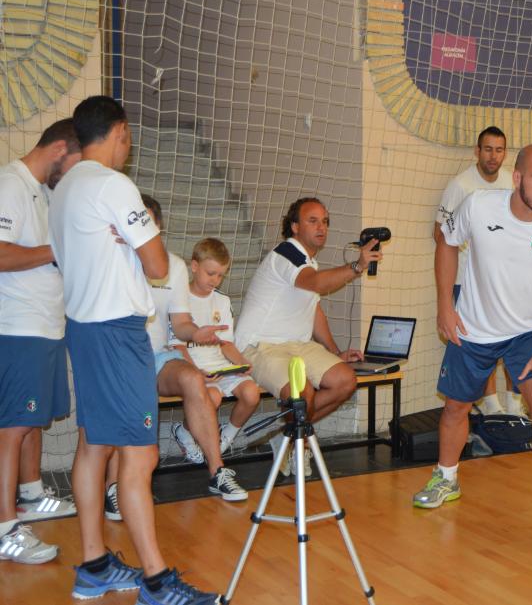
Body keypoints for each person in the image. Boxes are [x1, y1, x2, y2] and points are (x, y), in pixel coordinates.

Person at [49, 95, 217, 604]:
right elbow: (161, 266)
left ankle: (95, 565)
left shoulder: (65, 187)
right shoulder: (114, 185)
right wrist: (143, 231)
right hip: (118, 333)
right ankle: (157, 582)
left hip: (82, 327)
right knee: (140, 457)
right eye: (129, 137)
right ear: (120, 131)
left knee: (93, 445)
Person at [413, 144, 532, 563]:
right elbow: (446, 243)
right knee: (455, 408)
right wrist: (444, 306)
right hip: (474, 327)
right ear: (518, 177)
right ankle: (446, 477)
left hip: (527, 333)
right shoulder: (478, 206)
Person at [235, 197, 381, 458]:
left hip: (298, 346)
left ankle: (288, 438)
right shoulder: (286, 253)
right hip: (261, 346)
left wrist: (336, 352)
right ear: (294, 227)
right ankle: (296, 444)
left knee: (345, 381)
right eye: (312, 221)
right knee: (304, 394)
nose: (321, 227)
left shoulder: (309, 263)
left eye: (324, 221)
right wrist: (357, 266)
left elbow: (314, 310)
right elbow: (315, 284)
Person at [0, 119, 81, 564]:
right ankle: (4, 526)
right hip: (18, 327)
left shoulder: (44, 191)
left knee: (31, 421)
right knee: (11, 427)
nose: (72, 176)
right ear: (59, 151)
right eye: (74, 165)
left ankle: (30, 495)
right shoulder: (10, 184)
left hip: (46, 325)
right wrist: (56, 251)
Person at [137, 195, 247, 502]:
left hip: (160, 356)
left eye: (149, 222)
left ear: (158, 227)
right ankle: (115, 486)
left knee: (194, 378)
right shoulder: (113, 260)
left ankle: (217, 472)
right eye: (136, 220)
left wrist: (197, 332)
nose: (142, 228)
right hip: (122, 354)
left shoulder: (173, 266)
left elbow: (181, 324)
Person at [434, 126, 521, 415]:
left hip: (505, 283)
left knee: (512, 340)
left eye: (499, 150)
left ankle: (514, 405)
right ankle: (491, 406)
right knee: (481, 345)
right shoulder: (461, 185)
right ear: (477, 151)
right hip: (468, 284)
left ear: (505, 153)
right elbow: (440, 234)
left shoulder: (512, 182)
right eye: (487, 149)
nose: (493, 156)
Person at [172, 237, 262, 454]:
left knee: (251, 393)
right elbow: (178, 346)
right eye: (210, 273)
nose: (215, 280)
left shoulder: (222, 301)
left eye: (221, 275)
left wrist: (241, 362)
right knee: (212, 398)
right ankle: (184, 431)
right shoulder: (178, 298)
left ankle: (226, 438)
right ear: (194, 267)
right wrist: (196, 372)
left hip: (220, 366)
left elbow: (226, 343)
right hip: (194, 366)